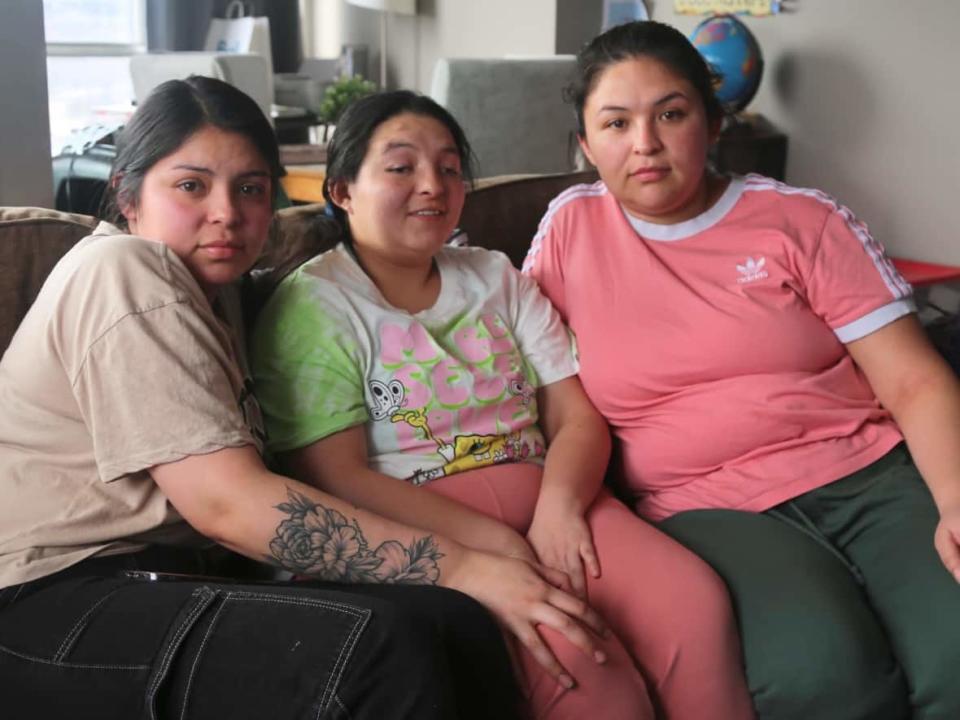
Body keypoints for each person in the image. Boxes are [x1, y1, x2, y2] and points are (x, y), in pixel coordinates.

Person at [0, 76, 530, 720]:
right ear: (129, 196)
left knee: (452, 621)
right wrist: (466, 565)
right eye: (192, 185)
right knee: (378, 646)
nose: (227, 212)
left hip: (162, 580)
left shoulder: (225, 295)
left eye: (250, 188)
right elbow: (227, 504)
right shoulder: (122, 270)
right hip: (43, 599)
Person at [249, 89, 755, 720]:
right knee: (588, 669)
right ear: (342, 190)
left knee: (691, 603)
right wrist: (491, 543)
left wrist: (560, 511)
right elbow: (334, 476)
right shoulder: (315, 305)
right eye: (401, 167)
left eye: (450, 166)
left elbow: (575, 416)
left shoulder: (495, 276)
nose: (432, 184)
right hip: (423, 521)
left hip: (554, 499)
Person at [522, 19, 960, 720]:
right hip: (703, 503)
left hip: (866, 474)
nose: (645, 143)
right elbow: (527, 377)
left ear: (714, 122)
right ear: (585, 145)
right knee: (821, 674)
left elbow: (913, 380)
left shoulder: (799, 220)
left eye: (671, 113)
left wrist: (954, 497)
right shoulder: (570, 229)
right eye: (615, 123)